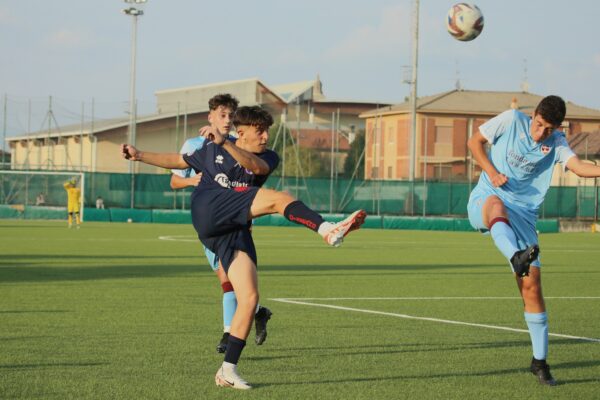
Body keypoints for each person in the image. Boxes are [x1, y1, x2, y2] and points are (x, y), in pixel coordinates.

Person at [121, 105, 366, 390]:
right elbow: (176, 159)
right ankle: (326, 229)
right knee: (278, 198)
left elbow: (256, 167)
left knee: (249, 298)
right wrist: (139, 155)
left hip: (233, 227)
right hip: (209, 209)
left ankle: (227, 370)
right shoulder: (213, 148)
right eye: (259, 131)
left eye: (267, 131)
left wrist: (225, 142)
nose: (265, 137)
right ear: (242, 132)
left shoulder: (267, 156)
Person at [467, 95, 600, 386]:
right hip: (488, 198)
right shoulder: (511, 120)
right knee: (497, 207)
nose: (541, 133)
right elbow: (474, 142)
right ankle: (516, 256)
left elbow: (578, 167)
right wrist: (492, 172)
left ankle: (539, 362)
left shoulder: (557, 142)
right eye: (539, 125)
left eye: (549, 129)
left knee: (532, 286)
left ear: (557, 127)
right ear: (533, 115)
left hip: (524, 215)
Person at [170, 94, 272, 353]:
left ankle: (229, 334)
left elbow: (253, 169)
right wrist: (194, 180)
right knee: (229, 279)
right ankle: (257, 312)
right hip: (209, 218)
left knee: (227, 276)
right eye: (222, 115)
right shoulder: (194, 144)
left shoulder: (239, 144)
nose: (226, 120)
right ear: (211, 117)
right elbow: (174, 181)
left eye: (230, 116)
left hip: (235, 215)